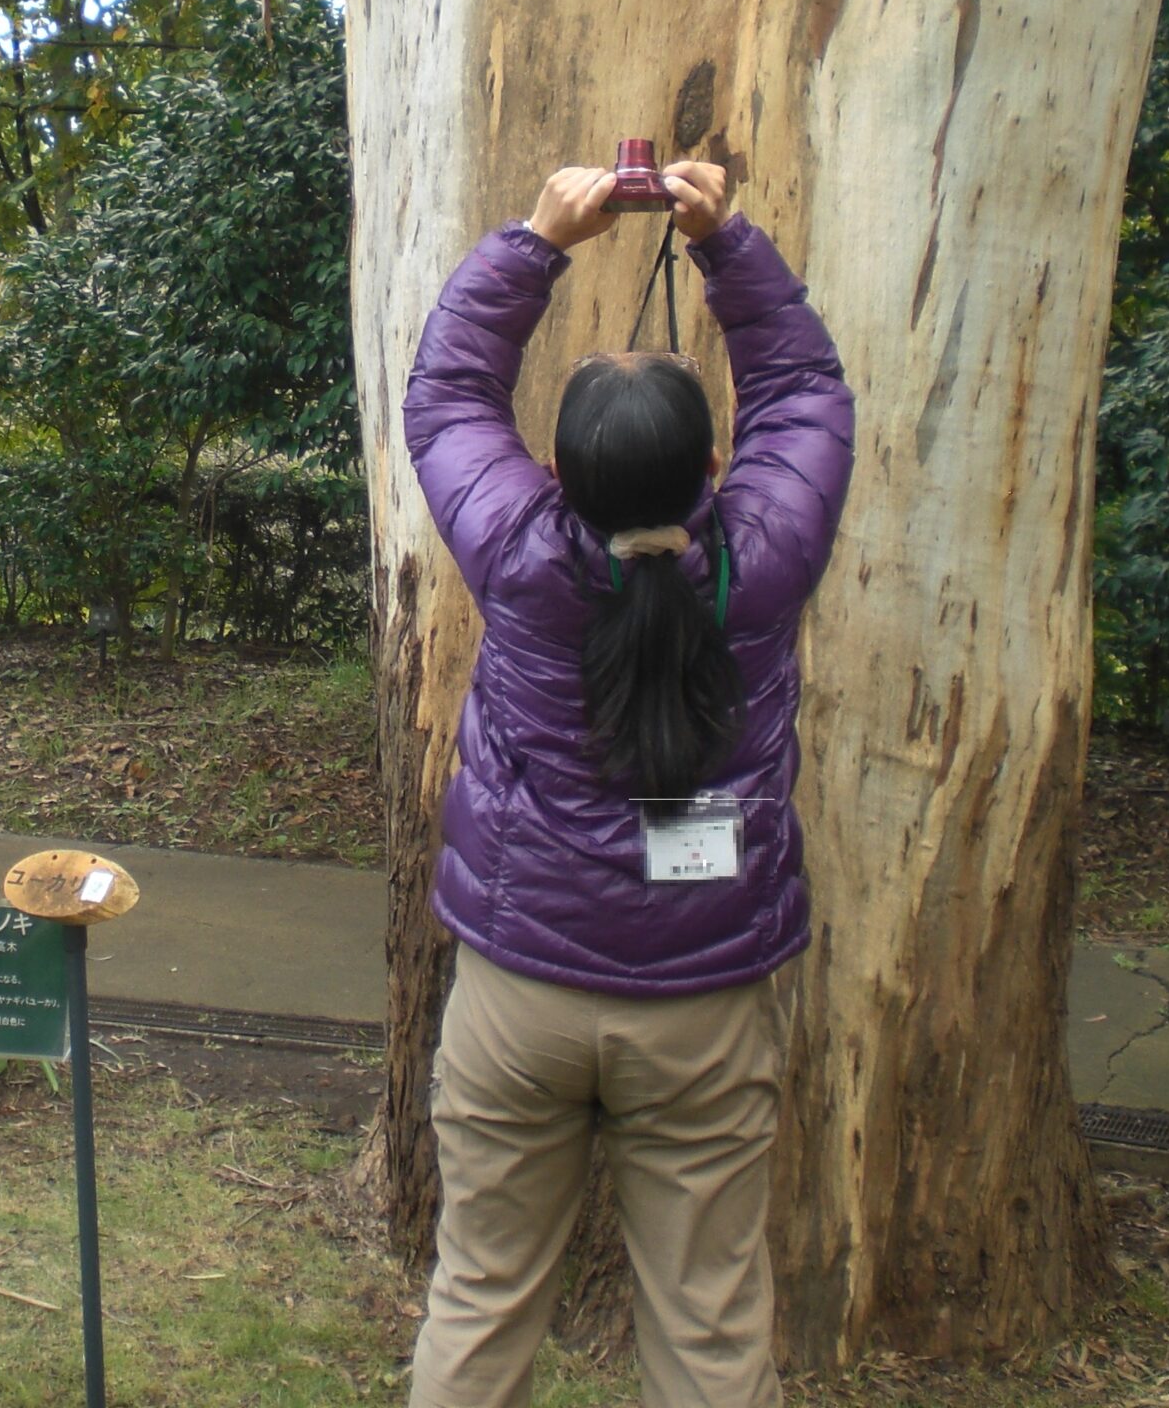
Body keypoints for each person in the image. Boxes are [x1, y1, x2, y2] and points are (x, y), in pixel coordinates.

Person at [402, 160, 855, 1408]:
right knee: (709, 1329)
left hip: (518, 994)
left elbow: (446, 396)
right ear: (715, 464)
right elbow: (805, 392)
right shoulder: (759, 563)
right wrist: (727, 243)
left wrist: (539, 241)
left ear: (556, 473)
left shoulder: (519, 554)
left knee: (481, 1297)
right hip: (703, 1005)